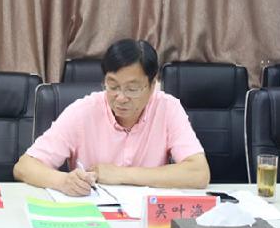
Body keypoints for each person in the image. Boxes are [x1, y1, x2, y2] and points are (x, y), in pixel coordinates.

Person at [13, 39, 210, 196]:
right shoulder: (83, 111)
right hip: (93, 223)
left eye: (132, 89)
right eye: (113, 86)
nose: (121, 97)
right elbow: (24, 167)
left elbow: (199, 173)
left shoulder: (168, 108)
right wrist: (63, 181)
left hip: (147, 222)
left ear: (152, 86)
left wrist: (121, 174)